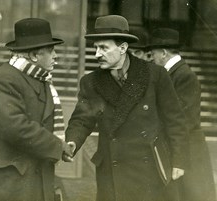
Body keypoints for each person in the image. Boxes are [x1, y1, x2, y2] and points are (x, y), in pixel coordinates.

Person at [65, 15, 188, 201]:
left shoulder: (155, 76)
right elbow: (82, 119)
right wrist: (73, 141)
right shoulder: (90, 82)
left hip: (150, 169)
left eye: (103, 48)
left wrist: (178, 160)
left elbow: (175, 121)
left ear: (123, 48)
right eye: (95, 48)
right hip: (112, 171)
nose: (97, 54)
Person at [0, 18, 73, 201]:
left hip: (28, 177)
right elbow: (15, 127)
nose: (55, 56)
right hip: (7, 183)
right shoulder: (4, 79)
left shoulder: (38, 77)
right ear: (33, 55)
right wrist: (58, 146)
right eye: (50, 50)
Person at [149, 28, 216, 201]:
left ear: (163, 53)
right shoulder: (173, 74)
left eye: (153, 54)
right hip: (179, 146)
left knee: (190, 195)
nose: (152, 59)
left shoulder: (184, 76)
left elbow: (181, 119)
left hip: (187, 150)